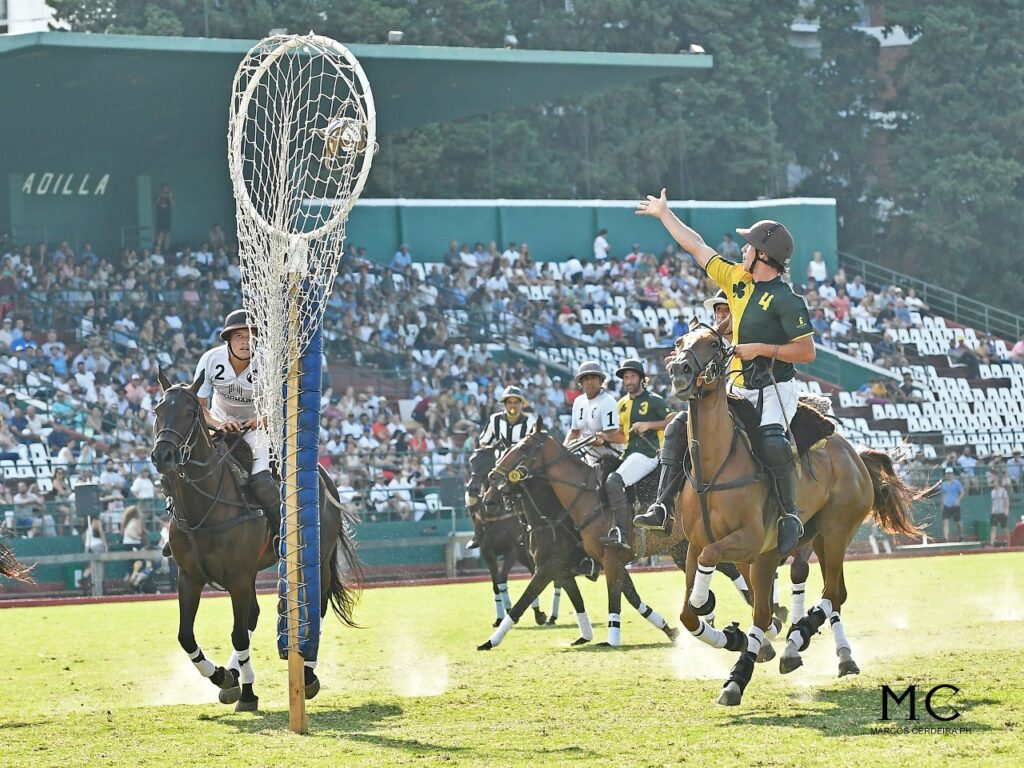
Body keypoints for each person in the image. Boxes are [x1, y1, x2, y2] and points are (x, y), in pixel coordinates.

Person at [636, 189, 813, 557]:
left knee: (773, 442)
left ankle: (790, 516)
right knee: (677, 428)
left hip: (775, 389)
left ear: (764, 255)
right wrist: (665, 215)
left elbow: (806, 352)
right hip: (737, 385)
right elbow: (696, 246)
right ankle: (663, 506)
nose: (743, 250)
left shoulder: (786, 300)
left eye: (748, 246)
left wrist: (761, 349)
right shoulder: (735, 279)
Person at [636, 289, 730, 531]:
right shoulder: (701, 344)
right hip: (710, 411)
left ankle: (784, 510)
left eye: (727, 309)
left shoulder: (747, 337)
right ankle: (662, 507)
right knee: (677, 425)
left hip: (742, 403)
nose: (722, 314)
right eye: (718, 310)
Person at [186, 310, 279, 542]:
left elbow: (280, 405)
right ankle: (178, 533)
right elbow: (199, 405)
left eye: (250, 336)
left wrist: (262, 419)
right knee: (186, 470)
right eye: (238, 336)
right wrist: (220, 424)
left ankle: (283, 535)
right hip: (217, 423)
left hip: (255, 428)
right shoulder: (210, 360)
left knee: (264, 483)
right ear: (228, 339)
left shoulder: (267, 362)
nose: (246, 342)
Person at [598, 359, 673, 550]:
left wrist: (649, 425)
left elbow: (673, 420)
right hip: (629, 454)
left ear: (641, 379)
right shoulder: (621, 404)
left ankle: (622, 534)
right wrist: (603, 437)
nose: (628, 380)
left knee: (613, 482)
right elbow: (623, 435)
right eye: (625, 377)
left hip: (648, 454)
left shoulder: (654, 400)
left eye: (632, 376)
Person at [466, 386, 537, 549]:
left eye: (516, 402)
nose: (512, 406)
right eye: (509, 402)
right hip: (497, 466)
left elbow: (535, 446)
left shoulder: (530, 421)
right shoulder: (494, 420)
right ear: (504, 405)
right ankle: (478, 531)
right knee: (471, 492)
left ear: (521, 404)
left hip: (521, 468)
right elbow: (484, 443)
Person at [941, 467, 965, 542]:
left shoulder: (957, 483)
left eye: (950, 473)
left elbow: (962, 492)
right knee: (945, 522)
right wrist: (942, 504)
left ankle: (961, 535)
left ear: (952, 474)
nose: (949, 475)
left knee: (958, 521)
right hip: (946, 505)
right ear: (945, 475)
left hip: (955, 505)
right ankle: (946, 538)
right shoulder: (944, 484)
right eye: (947, 474)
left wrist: (958, 500)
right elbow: (943, 494)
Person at [990, 481, 1009, 547]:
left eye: (994, 482)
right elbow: (993, 502)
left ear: (998, 482)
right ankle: (991, 544)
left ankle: (1009, 542)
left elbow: (1006, 501)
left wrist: (1006, 510)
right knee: (993, 528)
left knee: (1004, 527)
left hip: (1002, 512)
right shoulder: (992, 492)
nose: (993, 484)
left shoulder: (1003, 491)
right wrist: (992, 511)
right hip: (995, 512)